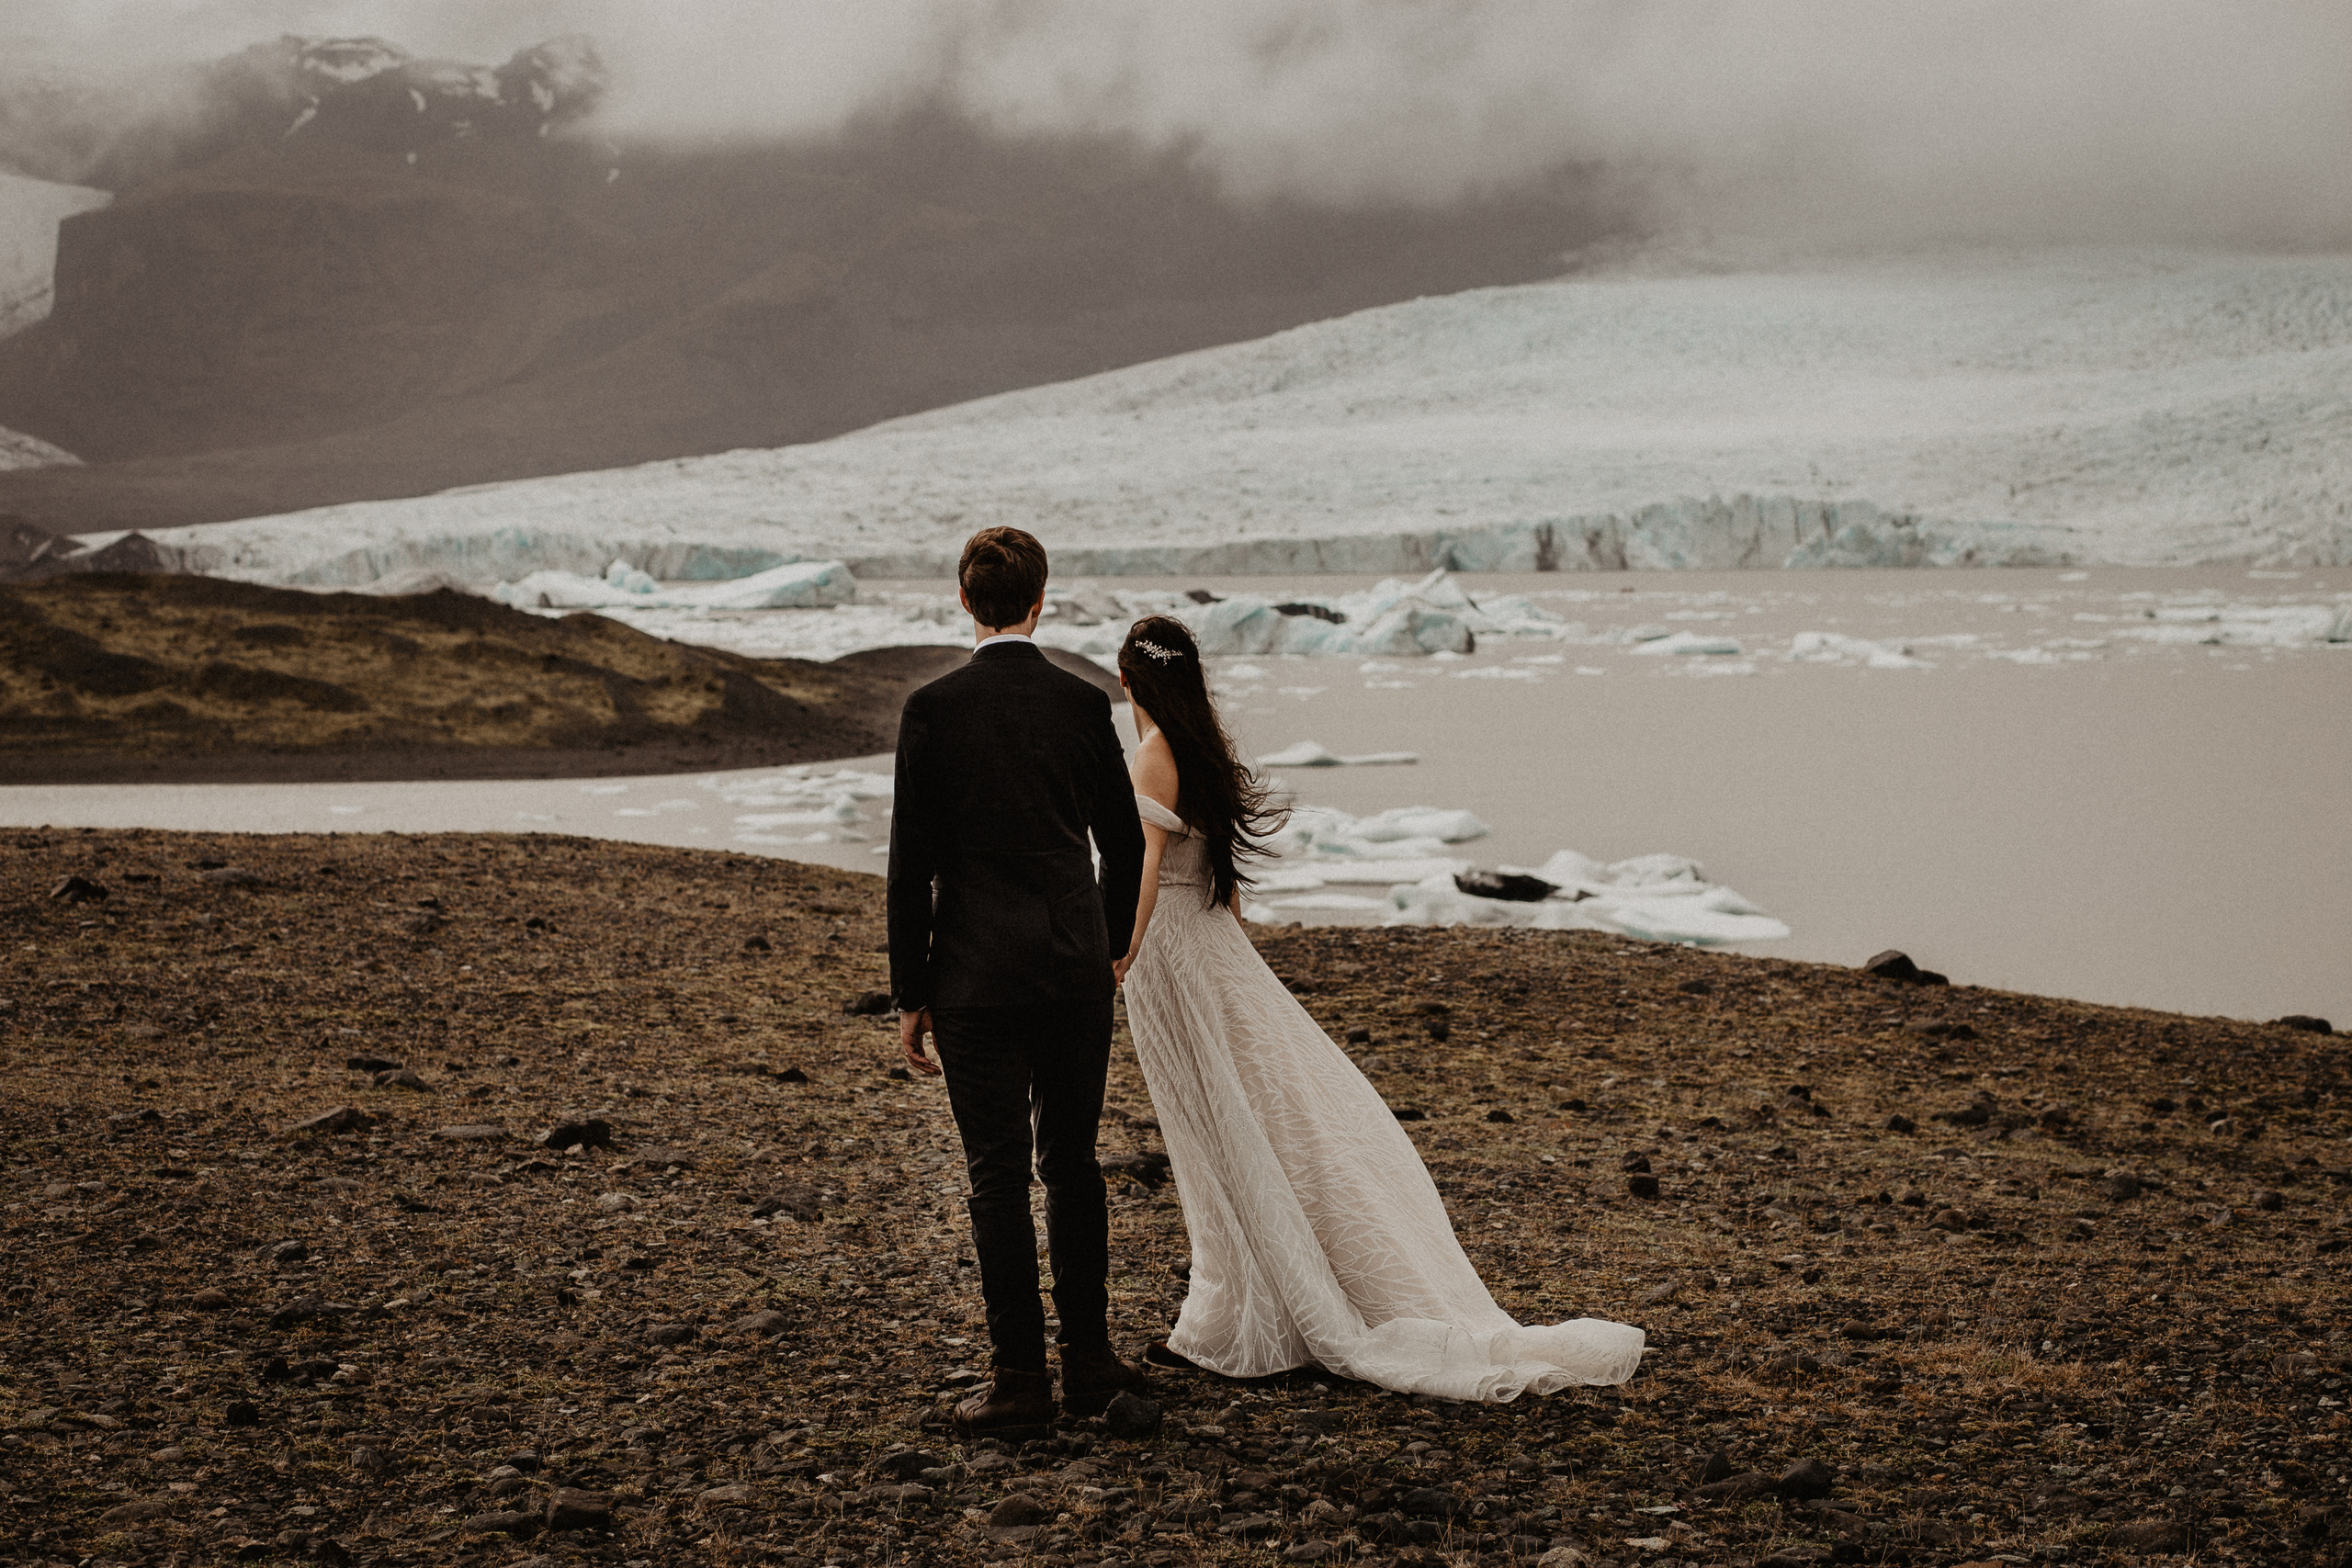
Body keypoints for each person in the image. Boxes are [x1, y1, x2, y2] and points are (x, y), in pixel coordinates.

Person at [1113, 614, 1645, 1402]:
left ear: (1130, 681)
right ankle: (1238, 1310)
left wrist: (1116, 951)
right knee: (1240, 1124)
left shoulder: (1153, 758)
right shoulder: (1202, 754)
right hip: (1208, 947)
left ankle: (1243, 1319)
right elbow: (1223, 884)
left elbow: (1145, 868)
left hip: (1173, 957)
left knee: (1215, 1130)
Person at [888, 527, 1151, 1436]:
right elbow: (1121, 843)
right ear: (1042, 599)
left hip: (971, 973)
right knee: (1071, 1164)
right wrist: (1107, 945)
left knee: (995, 1175)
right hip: (1069, 968)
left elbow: (908, 862)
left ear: (966, 603)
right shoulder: (1082, 707)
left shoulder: (932, 709)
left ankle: (1016, 1381)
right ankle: (1086, 1361)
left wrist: (911, 989)